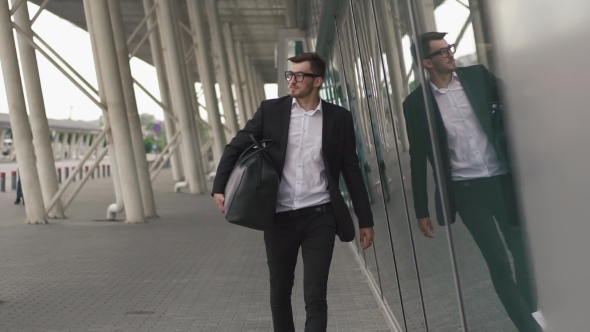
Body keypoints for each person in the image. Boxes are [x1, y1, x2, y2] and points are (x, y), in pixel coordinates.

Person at [212, 52, 374, 332]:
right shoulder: (271, 111)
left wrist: (366, 219)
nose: (292, 80)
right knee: (279, 294)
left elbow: (351, 169)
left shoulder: (339, 118)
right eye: (290, 74)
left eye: (300, 75)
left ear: (317, 81)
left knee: (315, 295)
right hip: (278, 217)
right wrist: (219, 187)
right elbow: (235, 146)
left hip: (320, 217)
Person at [403, 32, 541, 332]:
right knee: (499, 263)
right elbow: (417, 157)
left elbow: (518, 106)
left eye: (450, 49)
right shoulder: (416, 104)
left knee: (522, 251)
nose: (450, 55)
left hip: (502, 180)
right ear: (427, 63)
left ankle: (529, 310)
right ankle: (529, 326)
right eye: (442, 52)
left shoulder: (478, 76)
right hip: (466, 191)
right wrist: (421, 210)